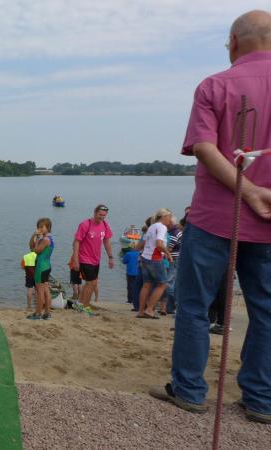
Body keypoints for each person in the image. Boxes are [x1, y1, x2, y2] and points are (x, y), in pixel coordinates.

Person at [150, 10, 271, 424]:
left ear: (233, 42)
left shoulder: (215, 85)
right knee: (266, 310)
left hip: (215, 218)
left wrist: (248, 191)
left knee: (193, 306)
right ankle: (261, 398)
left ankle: (189, 390)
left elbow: (204, 147)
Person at [70, 204, 114, 317]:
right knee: (92, 284)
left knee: (89, 284)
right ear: (95, 213)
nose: (102, 217)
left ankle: (79, 304)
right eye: (100, 215)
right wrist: (75, 259)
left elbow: (106, 241)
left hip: (96, 260)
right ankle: (86, 308)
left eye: (104, 215)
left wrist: (110, 257)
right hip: (84, 258)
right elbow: (76, 242)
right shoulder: (85, 224)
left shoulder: (104, 224)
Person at [136, 209, 174, 319]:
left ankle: (141, 311)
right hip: (155, 258)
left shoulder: (151, 227)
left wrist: (136, 251)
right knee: (162, 284)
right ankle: (149, 310)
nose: (170, 220)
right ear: (163, 217)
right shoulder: (162, 227)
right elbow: (159, 244)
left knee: (146, 284)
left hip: (145, 257)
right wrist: (168, 254)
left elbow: (143, 243)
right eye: (169, 217)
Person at [28, 218, 54, 320]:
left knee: (39, 291)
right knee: (46, 290)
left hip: (41, 267)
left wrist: (37, 240)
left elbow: (36, 251)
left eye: (42, 227)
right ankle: (47, 313)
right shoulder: (45, 238)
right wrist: (34, 235)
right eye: (39, 227)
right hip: (46, 266)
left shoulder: (45, 239)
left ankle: (38, 313)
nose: (40, 229)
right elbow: (30, 246)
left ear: (48, 227)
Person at [122, 245, 140, 309]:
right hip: (138, 273)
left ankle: (130, 300)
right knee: (137, 287)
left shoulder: (128, 254)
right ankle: (136, 300)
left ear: (131, 248)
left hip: (130, 273)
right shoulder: (139, 254)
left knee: (130, 287)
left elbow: (124, 261)